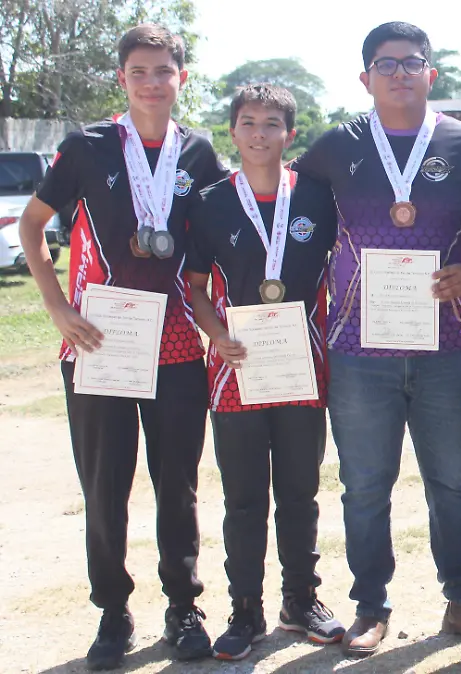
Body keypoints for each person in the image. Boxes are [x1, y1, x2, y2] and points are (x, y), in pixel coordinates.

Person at [289, 21, 461, 658]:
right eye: (385, 65)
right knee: (364, 485)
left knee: (453, 482)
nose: (398, 74)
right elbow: (302, 237)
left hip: (448, 345)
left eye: (411, 63)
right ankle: (370, 605)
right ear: (365, 78)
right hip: (359, 347)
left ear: (430, 74)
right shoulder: (334, 148)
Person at [16, 23, 226, 670]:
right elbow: (31, 225)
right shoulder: (87, 146)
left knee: (178, 487)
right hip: (101, 339)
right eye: (139, 71)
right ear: (122, 79)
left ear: (180, 78)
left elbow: (221, 236)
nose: (152, 82)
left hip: (174, 346)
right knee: (105, 486)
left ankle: (183, 607)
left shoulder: (199, 152)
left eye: (163, 71)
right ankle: (112, 612)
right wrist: (56, 305)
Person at [184, 83, 344, 661]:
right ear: (233, 131)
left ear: (290, 134)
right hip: (237, 372)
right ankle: (245, 610)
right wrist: (217, 335)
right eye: (248, 123)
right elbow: (195, 289)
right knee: (245, 499)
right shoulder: (209, 201)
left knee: (300, 493)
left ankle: (301, 599)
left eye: (271, 124)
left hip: (303, 369)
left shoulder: (318, 199)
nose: (259, 134)